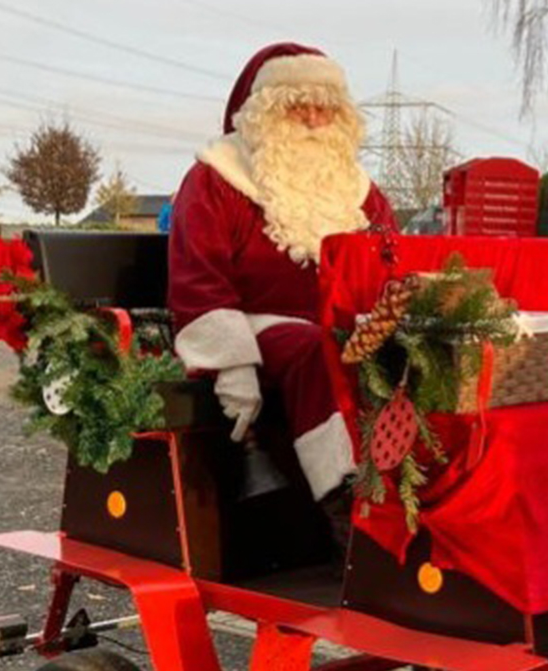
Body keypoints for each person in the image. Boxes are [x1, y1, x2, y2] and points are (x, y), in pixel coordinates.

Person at [168, 42, 396, 507]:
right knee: (319, 350)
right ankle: (347, 500)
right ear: (262, 112)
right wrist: (229, 361)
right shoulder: (218, 177)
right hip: (258, 321)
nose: (314, 120)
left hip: (350, 322)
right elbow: (199, 278)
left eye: (324, 108)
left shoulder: (358, 189)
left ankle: (421, 490)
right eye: (297, 107)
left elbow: (392, 262)